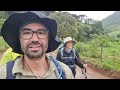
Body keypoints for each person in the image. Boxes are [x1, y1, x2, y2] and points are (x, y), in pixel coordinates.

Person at [0, 11, 74, 79]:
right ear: (19, 38)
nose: (35, 39)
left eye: (41, 33)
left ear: (48, 38)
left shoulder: (65, 73)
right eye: (27, 33)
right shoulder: (4, 74)